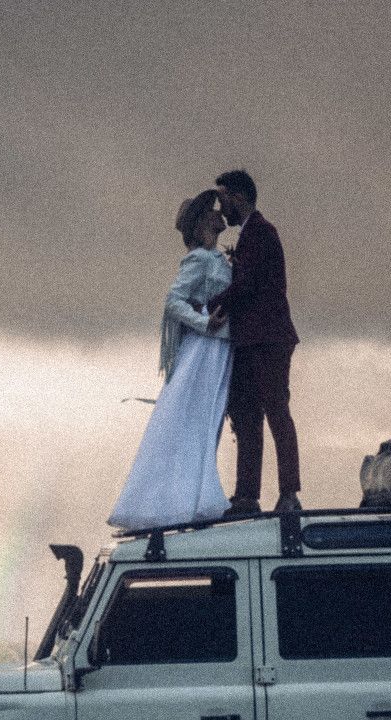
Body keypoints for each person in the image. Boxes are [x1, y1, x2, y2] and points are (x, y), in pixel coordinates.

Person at [107, 190, 233, 530]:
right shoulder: (199, 261)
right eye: (211, 211)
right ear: (203, 221)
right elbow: (173, 301)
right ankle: (183, 499)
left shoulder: (216, 258)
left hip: (218, 350)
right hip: (205, 352)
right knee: (194, 421)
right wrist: (206, 322)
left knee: (206, 421)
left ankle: (194, 495)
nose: (219, 213)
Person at [208, 168, 301, 516]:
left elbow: (247, 284)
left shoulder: (262, 233)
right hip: (249, 341)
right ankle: (247, 495)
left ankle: (289, 492)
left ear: (239, 196)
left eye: (223, 198)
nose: (221, 206)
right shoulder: (254, 234)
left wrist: (213, 304)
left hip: (268, 340)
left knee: (276, 411)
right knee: (247, 417)